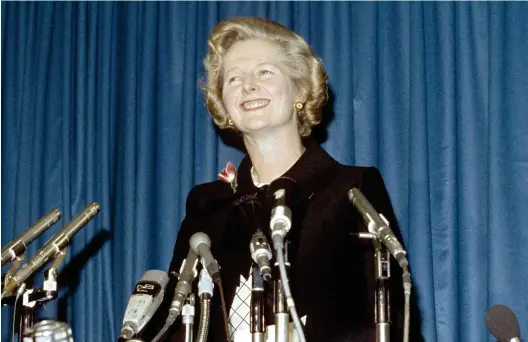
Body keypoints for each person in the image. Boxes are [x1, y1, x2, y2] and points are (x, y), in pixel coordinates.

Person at [143, 17, 421, 342]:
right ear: (224, 105)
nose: (248, 86)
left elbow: (386, 321)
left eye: (264, 72)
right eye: (233, 78)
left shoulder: (352, 189)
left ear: (300, 89)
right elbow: (174, 326)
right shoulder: (207, 205)